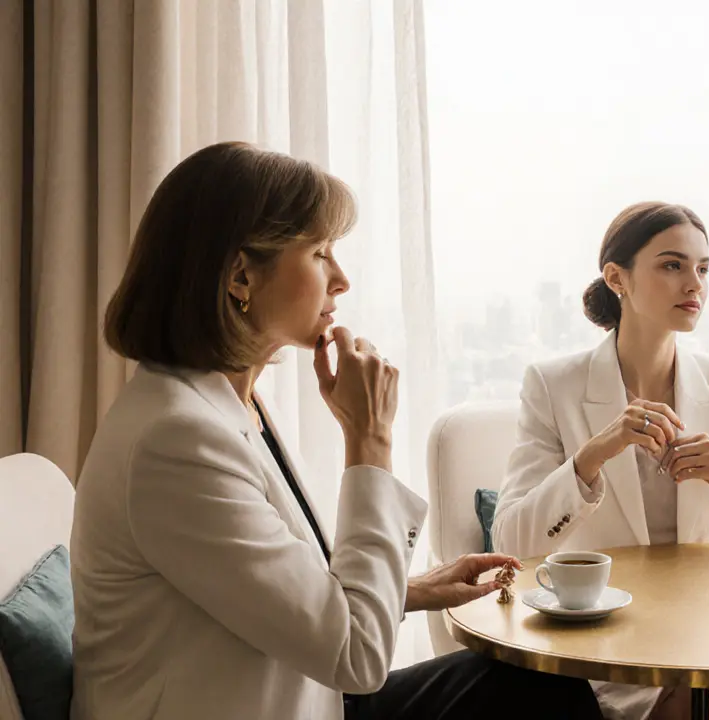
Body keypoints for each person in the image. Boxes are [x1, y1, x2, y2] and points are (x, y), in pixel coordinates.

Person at [69, 142, 603, 720]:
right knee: (543, 695)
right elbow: (356, 657)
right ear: (241, 276)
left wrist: (414, 587)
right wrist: (368, 438)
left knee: (547, 681)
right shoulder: (175, 442)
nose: (341, 279)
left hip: (306, 697)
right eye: (320, 252)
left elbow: (285, 595)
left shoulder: (228, 404)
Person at [492, 201, 709, 720]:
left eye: (703, 269)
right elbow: (511, 542)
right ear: (617, 278)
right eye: (672, 265)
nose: (694, 284)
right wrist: (592, 457)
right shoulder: (553, 386)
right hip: (605, 643)